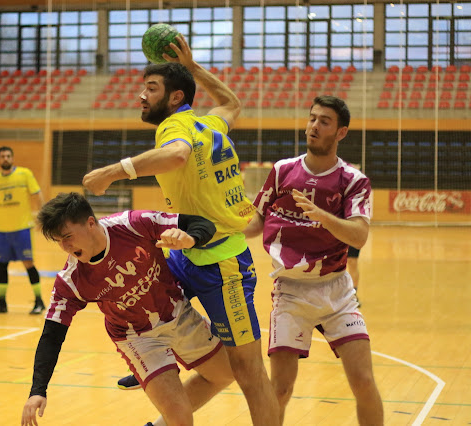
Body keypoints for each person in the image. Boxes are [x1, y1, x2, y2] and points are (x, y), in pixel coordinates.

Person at [82, 36, 279, 425]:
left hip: (223, 263)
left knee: (249, 372)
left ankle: (159, 363)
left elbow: (175, 155)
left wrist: (111, 171)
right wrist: (192, 68)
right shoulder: (208, 122)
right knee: (142, 302)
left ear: (174, 99)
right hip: (183, 251)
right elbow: (232, 103)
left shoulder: (174, 126)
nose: (141, 96)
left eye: (150, 88)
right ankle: (156, 366)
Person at [21, 192, 234, 426]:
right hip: (138, 338)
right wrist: (37, 390)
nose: (65, 247)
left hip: (177, 311)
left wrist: (190, 238)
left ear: (90, 223)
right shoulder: (71, 280)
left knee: (225, 374)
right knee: (181, 418)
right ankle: (155, 384)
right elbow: (52, 335)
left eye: (68, 237)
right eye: (58, 241)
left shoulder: (133, 225)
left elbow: (200, 224)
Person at [244, 95, 383, 425]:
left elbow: (359, 236)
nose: (314, 126)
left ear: (341, 133)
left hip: (337, 291)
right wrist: (220, 224)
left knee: (363, 381)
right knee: (279, 389)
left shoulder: (353, 180)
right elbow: (255, 221)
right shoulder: (282, 171)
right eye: (312, 119)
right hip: (290, 291)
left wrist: (322, 215)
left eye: (324, 121)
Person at [0, 146, 46, 315]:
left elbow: (37, 194)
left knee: (28, 264)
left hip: (22, 229)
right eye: (2, 156)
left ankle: (39, 301)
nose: (5, 159)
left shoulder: (24, 174)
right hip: (3, 231)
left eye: (8, 156)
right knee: (1, 266)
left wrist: (44, 218)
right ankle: (2, 303)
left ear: (12, 158)